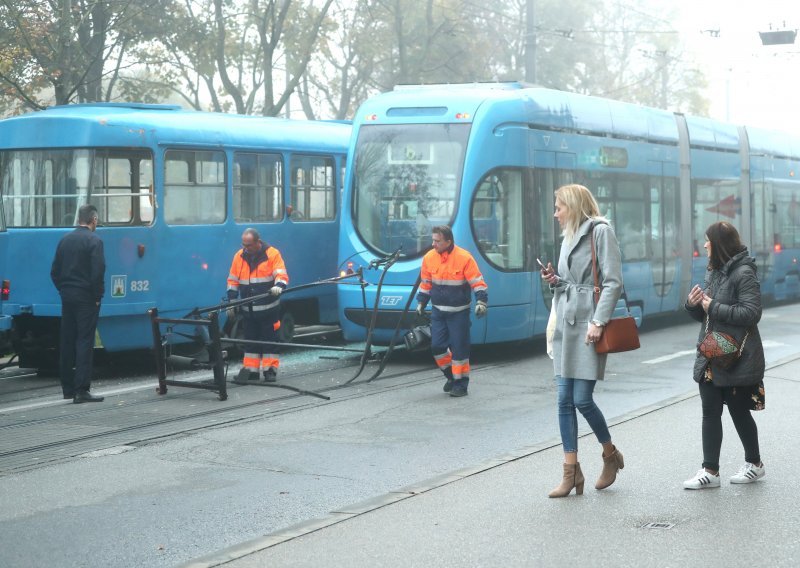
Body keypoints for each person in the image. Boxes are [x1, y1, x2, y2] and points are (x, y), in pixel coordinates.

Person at [540, 184, 624, 498]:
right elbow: (572, 282)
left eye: (559, 207)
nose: (556, 214)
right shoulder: (568, 237)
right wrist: (555, 281)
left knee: (582, 399)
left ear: (573, 207)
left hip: (589, 324)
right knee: (563, 399)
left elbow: (613, 282)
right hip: (565, 322)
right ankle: (571, 472)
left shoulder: (600, 232)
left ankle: (610, 455)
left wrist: (599, 322)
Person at [683, 221, 765, 489]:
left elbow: (752, 313)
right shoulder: (714, 271)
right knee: (710, 411)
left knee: (739, 411)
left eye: (708, 240)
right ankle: (710, 471)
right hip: (712, 352)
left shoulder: (744, 273)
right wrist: (693, 305)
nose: (704, 244)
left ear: (718, 244)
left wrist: (714, 306)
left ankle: (754, 464)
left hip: (737, 355)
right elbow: (706, 315)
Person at [415, 225, 488, 397]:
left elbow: (478, 282)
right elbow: (426, 283)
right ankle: (451, 377)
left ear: (448, 241)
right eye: (432, 240)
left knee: (459, 350)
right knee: (437, 347)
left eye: (437, 241)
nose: (433, 244)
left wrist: (481, 302)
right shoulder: (429, 258)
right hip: (438, 312)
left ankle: (461, 385)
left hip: (459, 313)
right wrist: (421, 303)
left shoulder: (464, 258)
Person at [50, 204, 106, 403]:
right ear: (94, 220)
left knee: (67, 340)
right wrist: (98, 295)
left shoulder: (65, 240)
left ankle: (67, 388)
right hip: (87, 298)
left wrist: (63, 289)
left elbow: (54, 271)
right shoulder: (94, 241)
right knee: (84, 341)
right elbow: (97, 272)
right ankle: (82, 390)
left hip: (67, 296)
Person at [227, 228, 289, 382]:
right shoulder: (239, 256)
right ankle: (251, 371)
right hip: (248, 311)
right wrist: (232, 301)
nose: (246, 248)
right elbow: (233, 280)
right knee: (250, 341)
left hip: (269, 309)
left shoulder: (272, 254)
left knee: (269, 341)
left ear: (257, 242)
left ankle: (270, 370)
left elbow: (281, 274)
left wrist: (279, 286)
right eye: (244, 245)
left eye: (249, 245)